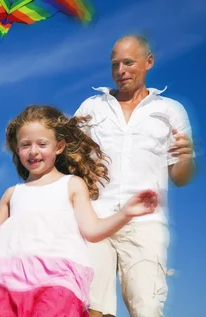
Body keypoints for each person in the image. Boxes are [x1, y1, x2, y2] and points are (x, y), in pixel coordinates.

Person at [0, 105, 161, 317]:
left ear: (59, 146)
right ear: (16, 148)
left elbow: (92, 230)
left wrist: (126, 213)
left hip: (56, 281)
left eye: (42, 144)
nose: (33, 152)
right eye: (25, 145)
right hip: (7, 282)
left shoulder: (71, 185)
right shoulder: (12, 194)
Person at [74, 35, 196, 317]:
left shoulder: (171, 111)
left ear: (148, 62)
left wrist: (186, 157)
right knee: (90, 307)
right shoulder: (91, 107)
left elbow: (180, 177)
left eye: (128, 63)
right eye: (115, 64)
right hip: (95, 217)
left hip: (146, 222)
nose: (121, 71)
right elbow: (70, 160)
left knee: (147, 307)